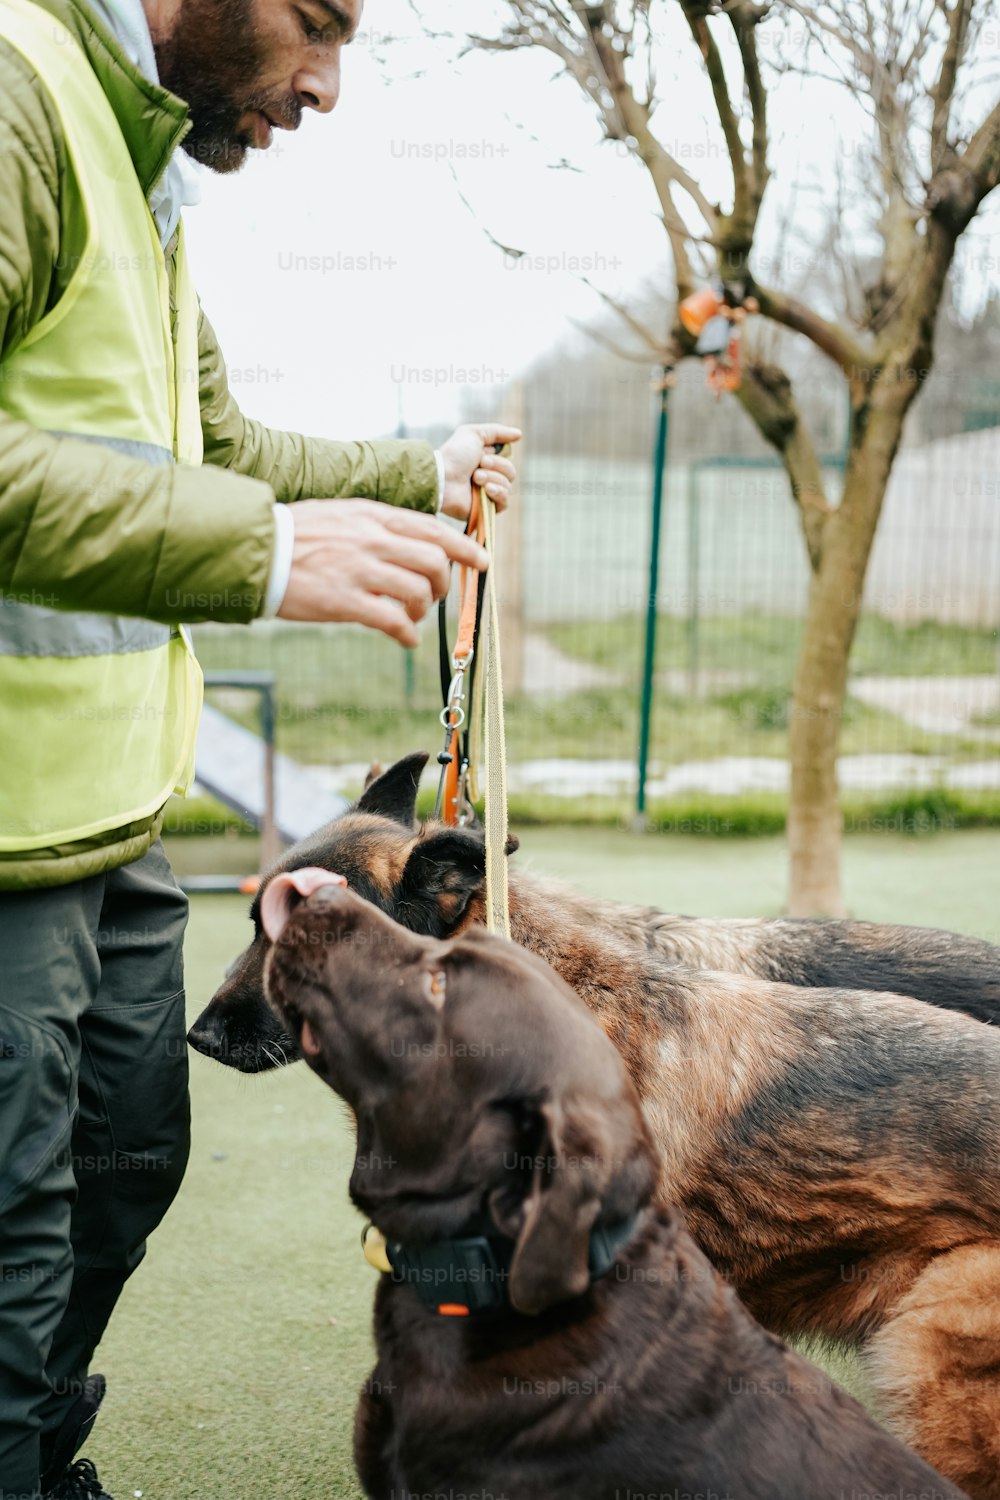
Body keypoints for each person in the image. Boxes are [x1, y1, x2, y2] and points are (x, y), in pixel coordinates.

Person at [0, 0, 520, 1490]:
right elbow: (232, 512)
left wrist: (410, 476)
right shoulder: (19, 89)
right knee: (16, 1225)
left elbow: (210, 452)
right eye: (318, 19)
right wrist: (261, 555)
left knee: (124, 1170)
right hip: (7, 838)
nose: (330, 84)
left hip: (108, 819)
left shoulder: (142, 158)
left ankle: (37, 1450)